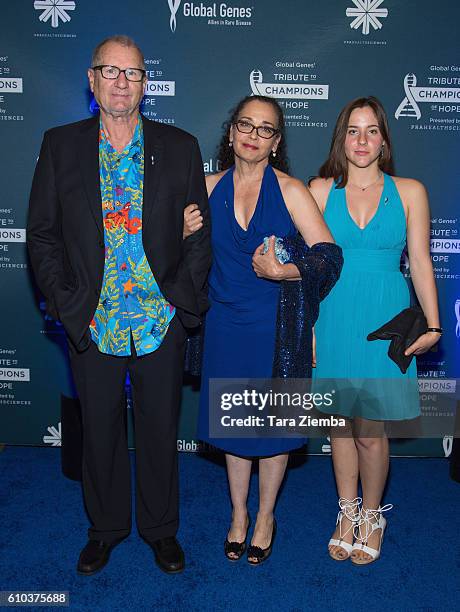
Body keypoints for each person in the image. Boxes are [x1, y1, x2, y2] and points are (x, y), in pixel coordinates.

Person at [27, 35, 211, 575]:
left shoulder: (179, 146)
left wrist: (181, 303)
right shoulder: (61, 145)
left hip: (160, 319)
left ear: (145, 84)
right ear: (92, 79)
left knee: (159, 430)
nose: (120, 82)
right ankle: (105, 529)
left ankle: (160, 531)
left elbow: (199, 237)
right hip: (94, 317)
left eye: (131, 73)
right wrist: (65, 303)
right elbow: (41, 234)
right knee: (100, 431)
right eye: (110, 71)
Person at [185, 95, 339, 564]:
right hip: (224, 325)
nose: (253, 135)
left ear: (276, 142)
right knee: (234, 427)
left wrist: (284, 272)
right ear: (231, 133)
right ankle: (237, 514)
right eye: (245, 125)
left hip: (276, 329)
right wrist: (180, 230)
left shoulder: (292, 191)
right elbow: (169, 251)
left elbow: (329, 257)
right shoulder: (207, 187)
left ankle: (266, 515)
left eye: (265, 129)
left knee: (271, 433)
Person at [309, 96, 441, 564]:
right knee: (340, 427)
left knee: (370, 429)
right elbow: (311, 268)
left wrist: (434, 322)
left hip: (385, 317)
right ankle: (346, 513)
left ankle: (372, 514)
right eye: (353, 130)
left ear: (384, 139)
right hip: (334, 313)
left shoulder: (410, 191)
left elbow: (421, 261)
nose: (361, 140)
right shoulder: (321, 189)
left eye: (371, 130)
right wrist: (308, 330)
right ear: (341, 138)